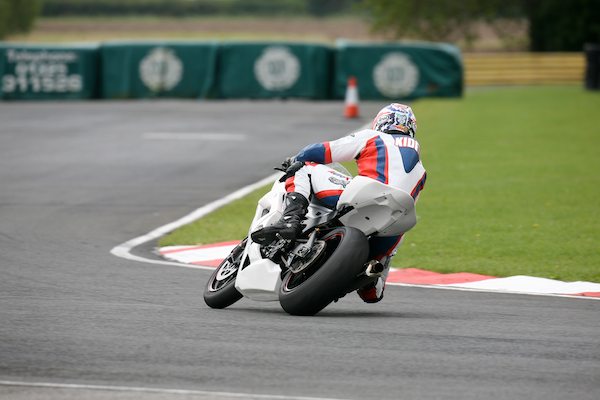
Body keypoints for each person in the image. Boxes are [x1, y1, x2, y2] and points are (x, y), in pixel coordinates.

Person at [251, 103, 427, 303]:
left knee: (303, 167)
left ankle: (290, 220)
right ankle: (372, 276)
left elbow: (323, 151)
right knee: (377, 279)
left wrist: (296, 159)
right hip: (394, 223)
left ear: (381, 121)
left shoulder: (373, 137)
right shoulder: (421, 170)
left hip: (365, 197)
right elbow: (409, 202)